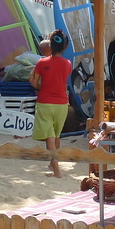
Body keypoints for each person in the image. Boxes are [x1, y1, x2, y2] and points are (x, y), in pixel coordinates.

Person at [30, 30, 72, 177]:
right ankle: (52, 163)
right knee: (56, 136)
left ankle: (57, 170)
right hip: (62, 104)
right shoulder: (67, 64)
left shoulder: (42, 62)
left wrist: (41, 87)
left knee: (49, 137)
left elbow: (34, 82)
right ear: (65, 47)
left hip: (45, 102)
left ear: (50, 46)